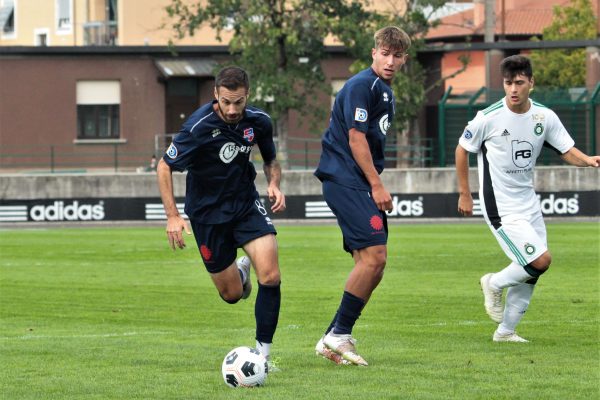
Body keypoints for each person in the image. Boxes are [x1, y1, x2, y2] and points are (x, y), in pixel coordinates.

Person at [455, 55, 600, 342]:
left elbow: (566, 149)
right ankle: (493, 283)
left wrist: (589, 160)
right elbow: (462, 149)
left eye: (519, 83)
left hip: (529, 204)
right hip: (501, 207)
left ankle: (506, 332)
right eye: (508, 83)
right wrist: (465, 193)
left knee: (531, 271)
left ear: (531, 83)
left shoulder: (544, 117)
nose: (513, 89)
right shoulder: (488, 117)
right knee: (540, 260)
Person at [157, 66, 286, 366]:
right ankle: (241, 274)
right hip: (207, 215)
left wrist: (274, 184)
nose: (231, 109)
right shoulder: (198, 127)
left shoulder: (259, 122)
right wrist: (172, 216)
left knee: (271, 275)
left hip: (244, 205)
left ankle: (263, 357)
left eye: (238, 102)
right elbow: (165, 166)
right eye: (226, 101)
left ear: (247, 96)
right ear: (216, 94)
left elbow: (271, 160)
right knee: (231, 294)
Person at [313, 26, 411, 366]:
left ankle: (331, 338)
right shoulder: (361, 85)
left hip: (355, 181)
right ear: (374, 53)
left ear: (404, 59)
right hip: (346, 179)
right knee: (375, 257)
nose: (390, 60)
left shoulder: (383, 91)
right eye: (385, 53)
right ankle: (339, 333)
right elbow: (356, 138)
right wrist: (376, 184)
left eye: (397, 55)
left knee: (370, 266)